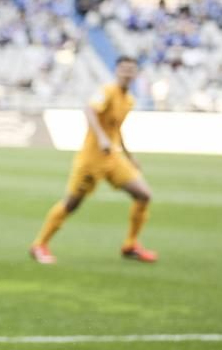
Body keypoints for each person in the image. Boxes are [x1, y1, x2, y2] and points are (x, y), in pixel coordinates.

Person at [30, 56, 157, 264]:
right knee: (72, 204)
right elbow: (89, 110)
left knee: (143, 195)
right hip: (91, 160)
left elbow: (117, 129)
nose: (127, 73)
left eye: (131, 70)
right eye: (124, 69)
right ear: (117, 71)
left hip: (113, 159)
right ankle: (39, 245)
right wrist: (101, 138)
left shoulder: (129, 100)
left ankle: (130, 245)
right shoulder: (107, 91)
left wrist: (129, 156)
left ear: (136, 74)